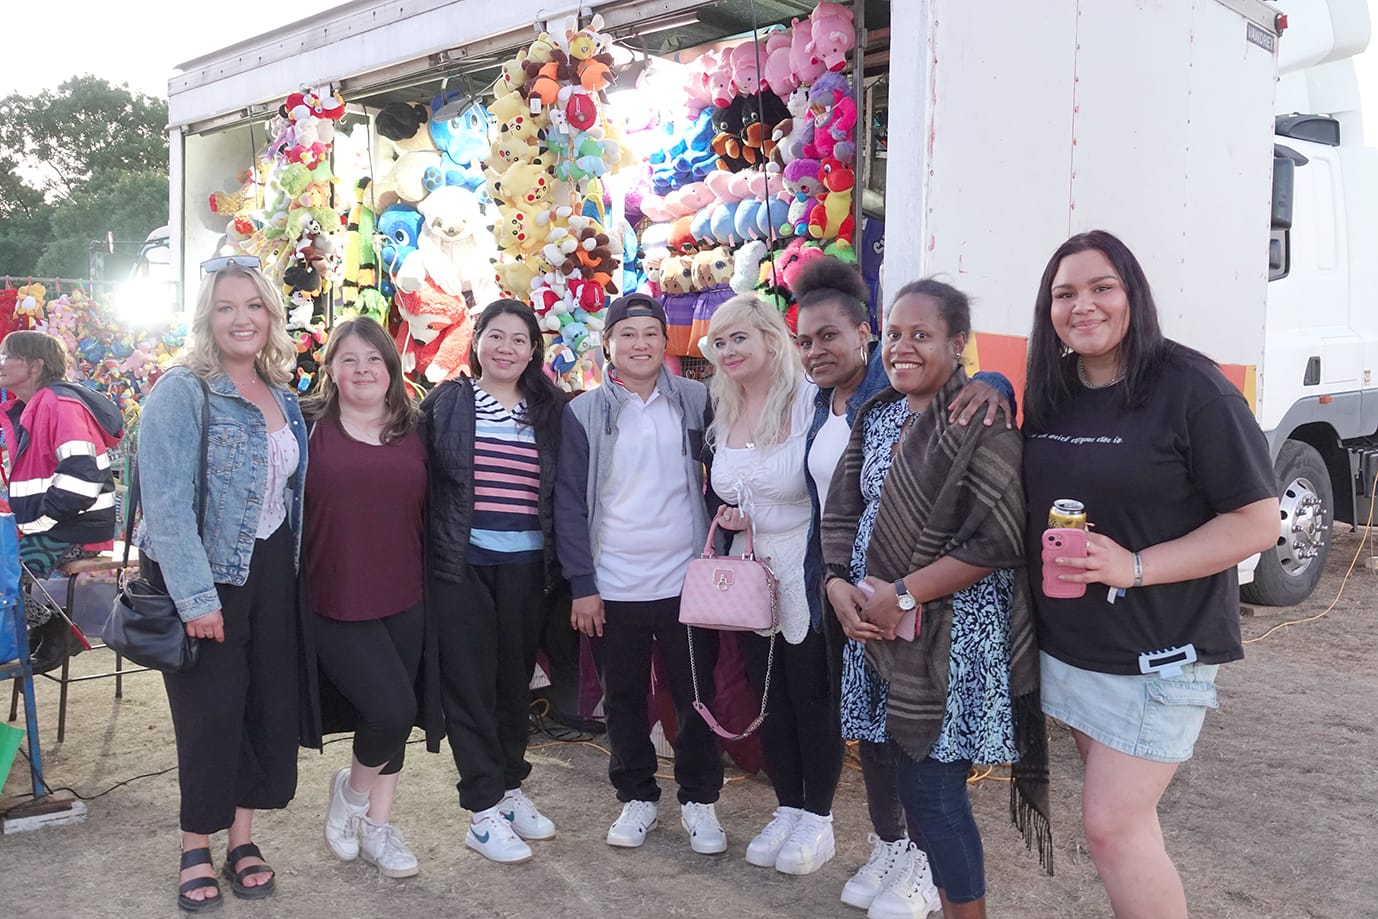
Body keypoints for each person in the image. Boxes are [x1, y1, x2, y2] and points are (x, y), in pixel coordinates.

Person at [1021, 230, 1278, 919]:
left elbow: (1258, 522)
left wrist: (1133, 566)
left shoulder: (1191, 387)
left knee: (1110, 825)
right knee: (1130, 826)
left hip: (1162, 651)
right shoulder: (1054, 391)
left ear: (1132, 292)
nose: (1084, 305)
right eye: (1065, 293)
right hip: (1075, 646)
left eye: (1102, 287)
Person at [793, 259, 1015, 916]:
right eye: (894, 333)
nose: (902, 347)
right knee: (894, 769)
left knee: (937, 797)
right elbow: (841, 510)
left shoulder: (982, 418)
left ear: (956, 347)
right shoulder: (880, 415)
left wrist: (906, 595)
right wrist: (836, 584)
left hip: (945, 639)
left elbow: (996, 541)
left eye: (921, 335)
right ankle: (901, 861)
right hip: (872, 623)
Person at [137, 255, 309, 911]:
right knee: (208, 718)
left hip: (272, 575)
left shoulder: (285, 398)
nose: (243, 318)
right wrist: (196, 595)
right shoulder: (181, 389)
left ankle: (242, 839)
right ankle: (194, 847)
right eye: (227, 306)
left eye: (254, 305)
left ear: (271, 315)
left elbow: (292, 497)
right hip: (206, 576)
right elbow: (166, 502)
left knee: (263, 708)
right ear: (208, 317)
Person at [554, 293, 725, 854]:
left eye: (651, 333)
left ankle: (700, 799)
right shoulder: (581, 413)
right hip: (615, 582)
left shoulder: (696, 400)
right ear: (608, 344)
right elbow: (568, 506)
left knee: (694, 695)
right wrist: (584, 584)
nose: (641, 344)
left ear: (664, 341)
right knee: (623, 697)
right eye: (628, 334)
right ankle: (638, 797)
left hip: (685, 579)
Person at [419, 299, 566, 865]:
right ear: (477, 341)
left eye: (519, 339)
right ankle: (481, 809)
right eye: (495, 336)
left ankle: (508, 789)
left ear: (534, 349)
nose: (506, 348)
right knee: (470, 686)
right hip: (462, 566)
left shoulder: (549, 408)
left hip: (528, 569)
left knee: (514, 685)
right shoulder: (449, 403)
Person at [704, 294, 841, 876]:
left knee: (813, 695)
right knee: (769, 697)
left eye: (740, 338)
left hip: (804, 568)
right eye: (720, 341)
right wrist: (735, 514)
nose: (729, 350)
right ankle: (787, 807)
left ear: (769, 338)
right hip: (750, 573)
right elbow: (733, 492)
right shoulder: (723, 405)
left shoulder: (811, 399)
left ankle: (819, 818)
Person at [301, 317, 441, 879]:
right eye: (349, 359)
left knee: (395, 720)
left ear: (391, 368)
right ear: (331, 369)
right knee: (391, 708)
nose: (362, 370)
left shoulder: (417, 428)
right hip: (332, 593)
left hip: (406, 591)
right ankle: (351, 796)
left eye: (373, 359)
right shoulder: (305, 426)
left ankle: (379, 829)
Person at [0, 330, 123, 673]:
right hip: (55, 525)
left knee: (5, 572)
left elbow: (80, 476)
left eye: (8, 356)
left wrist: (35, 523)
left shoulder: (59, 404)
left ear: (36, 365)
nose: (1, 364)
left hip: (72, 527)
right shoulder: (30, 408)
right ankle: (50, 632)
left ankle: (57, 631)